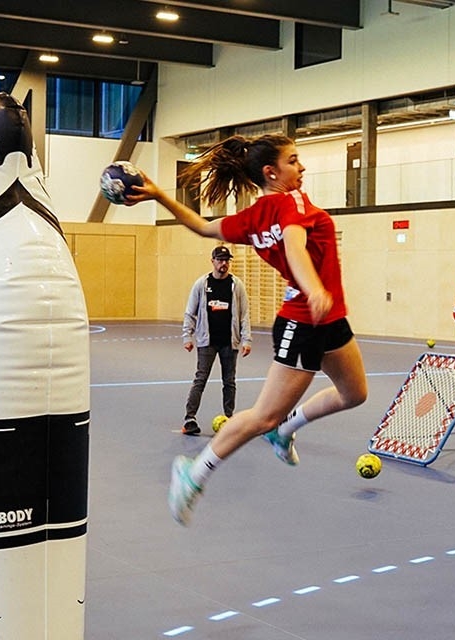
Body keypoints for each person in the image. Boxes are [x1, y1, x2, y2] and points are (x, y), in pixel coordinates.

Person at [126, 134, 368, 526]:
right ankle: (194, 471)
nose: (301, 167)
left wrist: (159, 196)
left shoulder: (254, 217)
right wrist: (314, 288)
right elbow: (294, 246)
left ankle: (288, 428)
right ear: (272, 173)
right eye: (294, 160)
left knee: (354, 393)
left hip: (329, 318)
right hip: (303, 320)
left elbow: (204, 228)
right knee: (262, 417)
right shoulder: (290, 203)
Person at [179, 245, 253, 435]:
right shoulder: (201, 284)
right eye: (220, 260)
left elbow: (244, 314)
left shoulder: (236, 285)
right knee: (200, 379)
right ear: (212, 261)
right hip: (207, 341)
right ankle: (189, 419)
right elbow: (190, 312)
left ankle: (229, 418)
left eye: (227, 260)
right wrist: (187, 336)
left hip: (230, 342)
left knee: (229, 381)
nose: (224, 263)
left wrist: (247, 339)